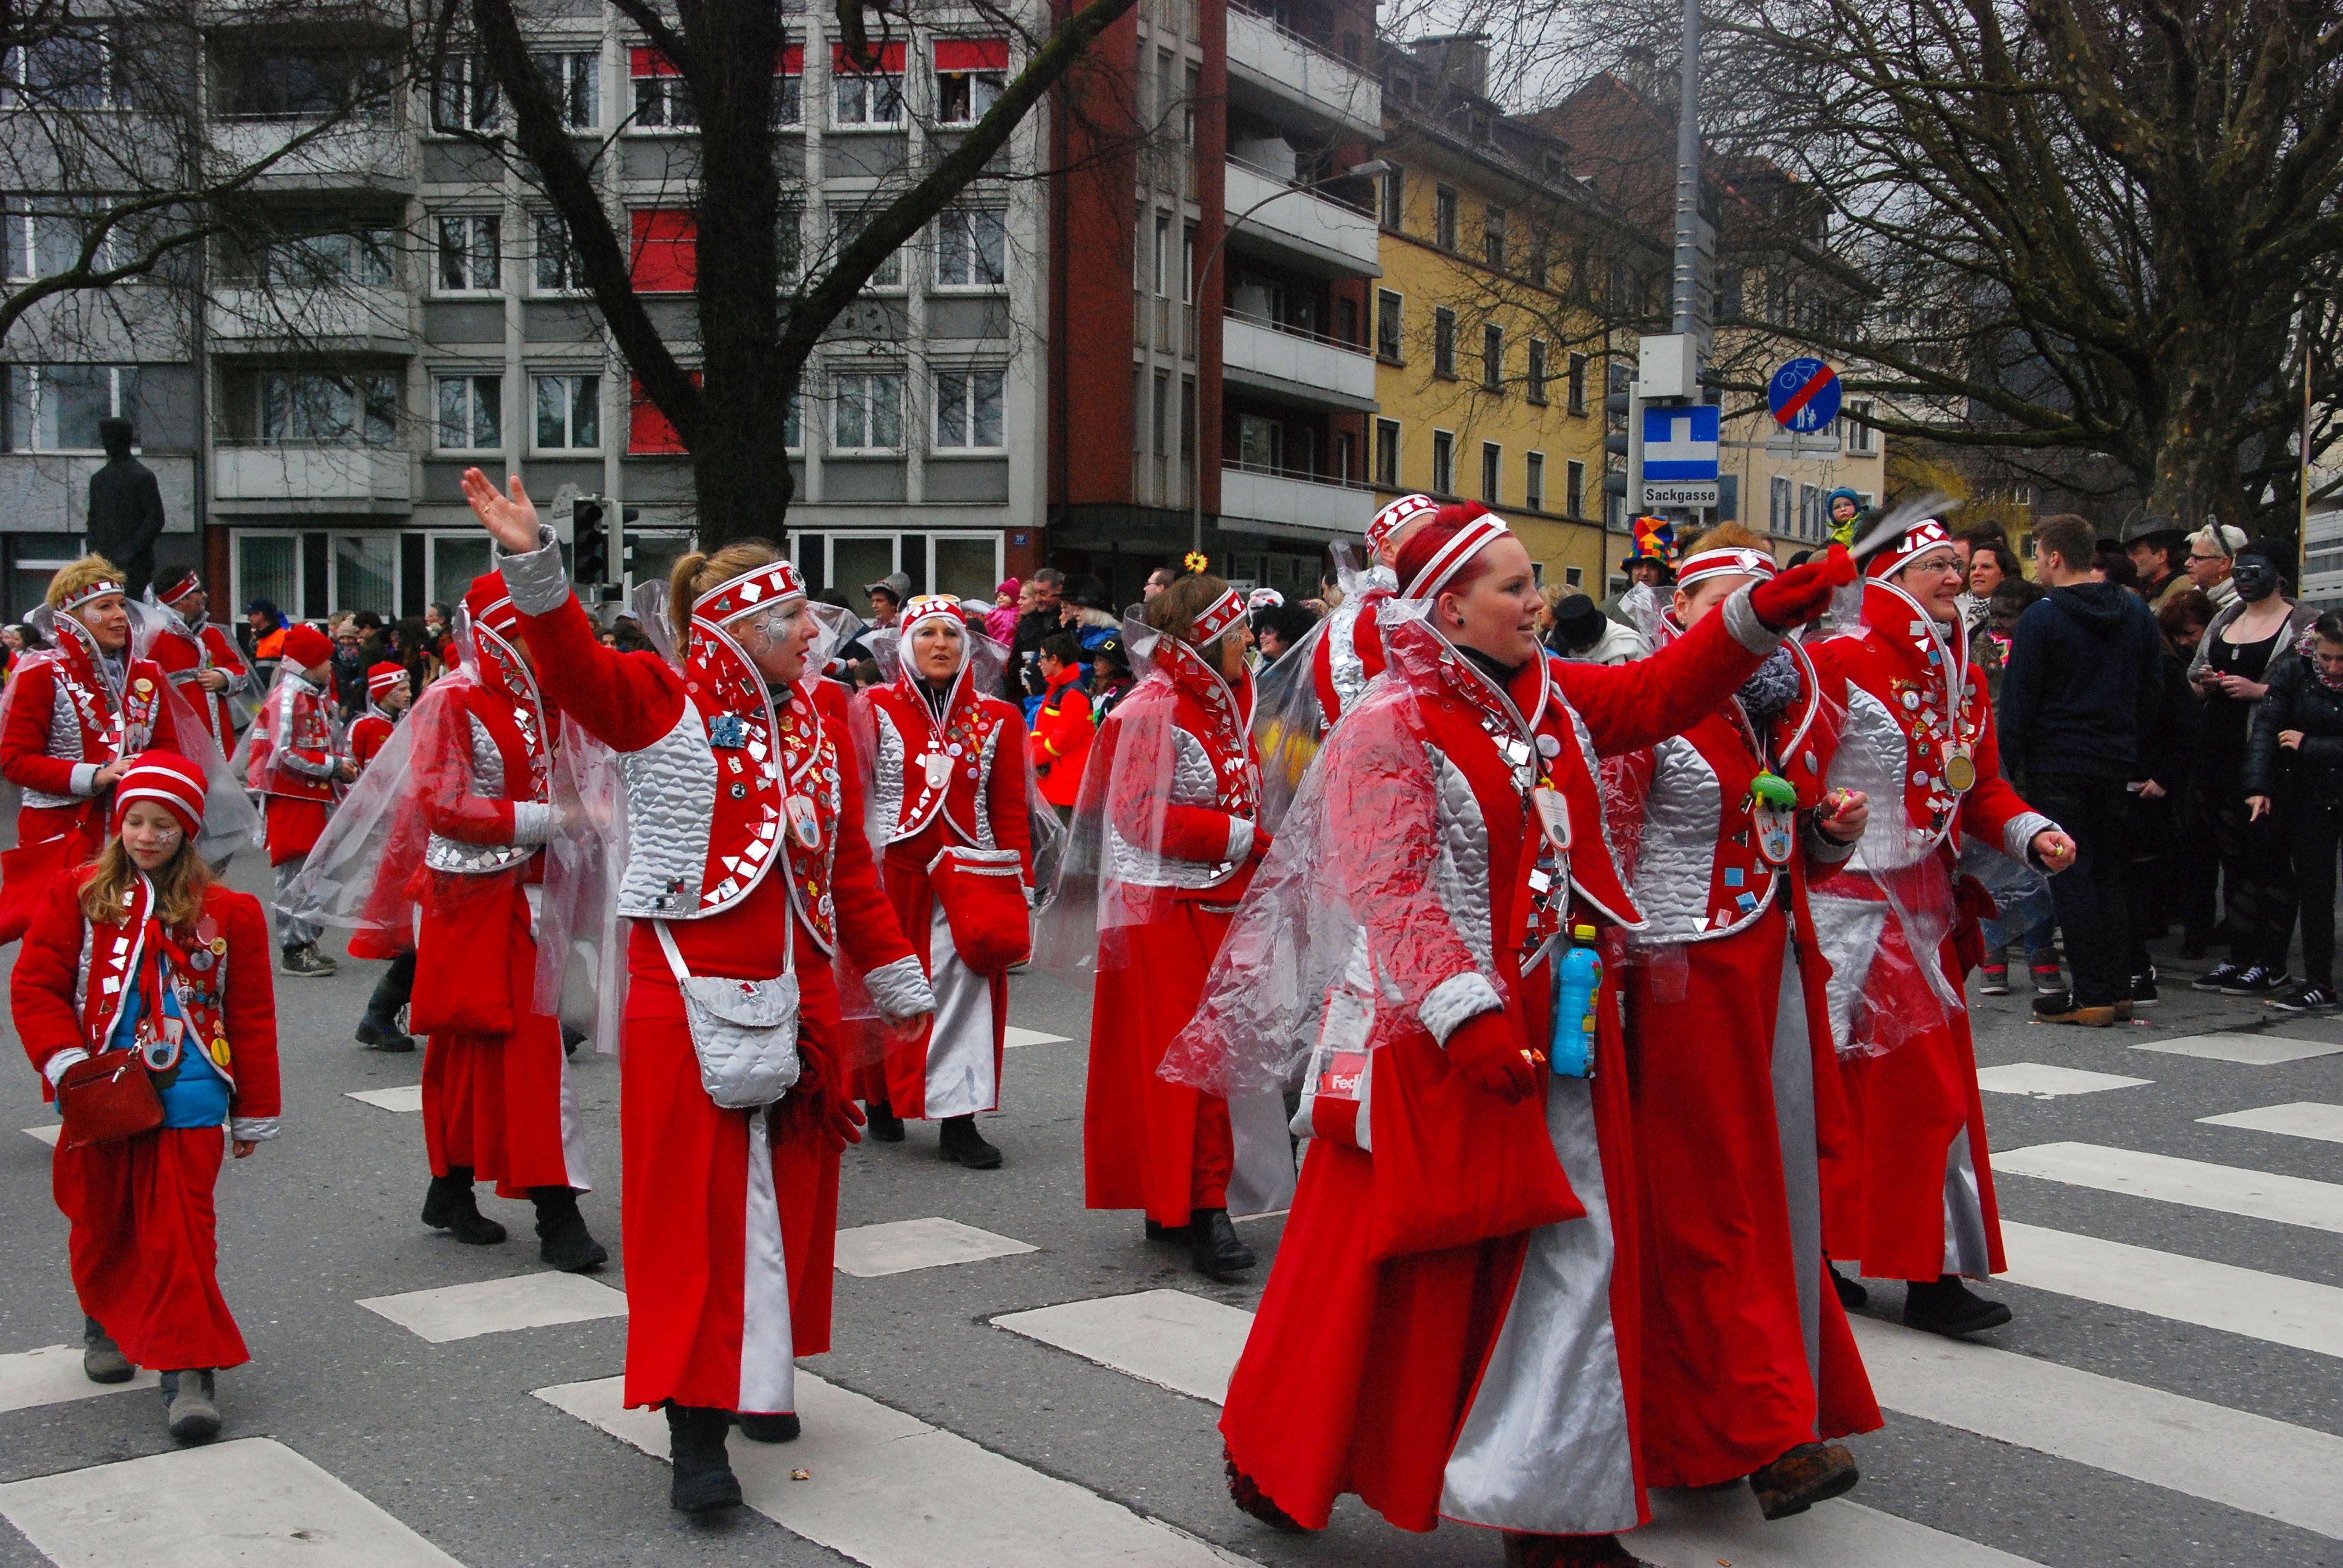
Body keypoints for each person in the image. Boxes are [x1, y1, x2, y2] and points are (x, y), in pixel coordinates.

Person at [1179, 506, 1855, 1561]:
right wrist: (1467, 1016)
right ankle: (1282, 1447)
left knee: (1574, 1254)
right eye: (1514, 586)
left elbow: (1659, 692)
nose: (1539, 600)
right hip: (1432, 1035)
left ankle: (1550, 1517)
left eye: (1533, 580)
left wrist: (1760, 615)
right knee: (1373, 1267)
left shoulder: (1551, 694)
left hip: (1565, 1024)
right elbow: (1395, 891)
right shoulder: (1392, 722)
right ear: (1449, 607)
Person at [460, 469, 934, 1514]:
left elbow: (847, 868)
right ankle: (694, 1422)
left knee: (794, 1201)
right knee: (690, 1212)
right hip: (685, 987)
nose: (815, 633)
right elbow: (572, 665)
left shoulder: (823, 721)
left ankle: (761, 1372)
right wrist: (534, 562)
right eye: (793, 618)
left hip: (803, 991)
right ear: (740, 628)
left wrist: (895, 975)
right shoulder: (657, 699)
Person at [1604, 528, 1884, 1517]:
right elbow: (1600, 857)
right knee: (1705, 1199)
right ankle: (1756, 1424)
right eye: (1729, 602)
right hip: (1678, 981)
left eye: (1777, 609)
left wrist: (1825, 839)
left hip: (1766, 972)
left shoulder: (1771, 716)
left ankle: (1753, 1406)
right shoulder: (1646, 704)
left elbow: (1773, 850)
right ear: (1679, 611)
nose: (1763, 628)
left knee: (1767, 1193)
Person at [1807, 517, 2075, 1337]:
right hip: (1846, 910)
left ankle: (1920, 1261)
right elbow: (1791, 774)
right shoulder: (1837, 660)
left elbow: (1979, 785)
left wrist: (2031, 832)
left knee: (1920, 1098)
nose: (1953, 578)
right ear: (1889, 578)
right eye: (1933, 565)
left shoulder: (1963, 675)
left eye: (1955, 564)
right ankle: (1841, 1254)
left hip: (1921, 913)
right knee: (1853, 1095)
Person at [12, 750, 279, 1445]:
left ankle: (189, 1373)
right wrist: (67, 1064)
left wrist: (254, 1109)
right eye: (136, 820)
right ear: (119, 823)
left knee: (182, 1235)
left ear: (187, 831)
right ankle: (105, 1317)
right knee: (101, 1218)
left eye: (164, 824)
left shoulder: (231, 911)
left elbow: (251, 1017)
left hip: (191, 1094)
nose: (147, 836)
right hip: (100, 1092)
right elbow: (35, 986)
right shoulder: (78, 893)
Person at [1064, 574, 1272, 1283]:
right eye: (1237, 631)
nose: (1249, 641)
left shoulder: (1229, 701)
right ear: (1205, 639)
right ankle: (1203, 1206)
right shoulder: (1151, 708)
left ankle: (1178, 1199)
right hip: (1164, 910)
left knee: (1209, 1059)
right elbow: (1136, 818)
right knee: (1189, 1064)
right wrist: (1246, 837)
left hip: (1219, 902)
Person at [853, 595, 1047, 1166]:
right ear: (904, 645)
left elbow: (1009, 809)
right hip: (891, 875)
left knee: (967, 998)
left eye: (952, 634)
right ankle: (882, 1096)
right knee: (884, 986)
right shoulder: (873, 707)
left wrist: (1019, 886)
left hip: (970, 879)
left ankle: (959, 1119)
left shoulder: (998, 717)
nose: (940, 644)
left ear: (968, 647)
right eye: (927, 633)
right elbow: (857, 799)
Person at [1997, 515, 2165, 1024]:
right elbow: (2153, 686)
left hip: (2058, 758)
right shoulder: (2134, 611)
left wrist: (2007, 766)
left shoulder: (2043, 618)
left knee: (2071, 873)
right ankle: (2117, 985)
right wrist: (2130, 741)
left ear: (2054, 557)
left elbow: (2020, 699)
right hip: (2113, 758)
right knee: (2108, 872)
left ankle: (2090, 991)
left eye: (2038, 554)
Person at [0, 557, 185, 943]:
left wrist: (145, 773)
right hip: (62, 835)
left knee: (132, 941)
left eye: (121, 604)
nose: (120, 615)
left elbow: (168, 749)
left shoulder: (147, 674)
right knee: (58, 945)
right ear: (72, 617)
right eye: (105, 606)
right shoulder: (40, 672)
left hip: (131, 835)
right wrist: (95, 776)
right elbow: (14, 760)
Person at [2188, 537, 2316, 995]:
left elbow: (2318, 688)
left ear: (2278, 575)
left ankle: (2271, 960)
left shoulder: (2304, 624)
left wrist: (2260, 692)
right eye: (2238, 572)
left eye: (2254, 571)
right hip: (2217, 753)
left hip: (2268, 758)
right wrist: (2207, 682)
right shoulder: (2226, 618)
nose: (2244, 579)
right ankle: (2239, 955)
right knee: (2233, 858)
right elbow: (2196, 670)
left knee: (2269, 857)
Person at [2247, 612, 2343, 1011]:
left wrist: (2310, 745)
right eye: (2326, 658)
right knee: (2315, 890)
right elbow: (2267, 728)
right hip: (2310, 793)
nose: (2333, 668)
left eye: (2342, 660)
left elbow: (2294, 738)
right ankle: (2318, 980)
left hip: (2315, 773)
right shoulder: (2294, 670)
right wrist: (2258, 786)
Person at [1971, 578, 2059, 997]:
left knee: (2036, 861)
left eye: (2007, 616)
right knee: (1990, 863)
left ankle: (2041, 951)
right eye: (1994, 615)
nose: (1998, 624)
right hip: (1990, 761)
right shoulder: (1979, 645)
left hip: (2031, 766)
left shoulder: (2041, 645)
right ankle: (1994, 951)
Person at [255, 623, 348, 977]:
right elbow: (283, 753)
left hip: (309, 795)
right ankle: (294, 948)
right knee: (296, 874)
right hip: (291, 797)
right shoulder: (289, 697)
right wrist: (333, 767)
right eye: (325, 660)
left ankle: (307, 941)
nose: (330, 666)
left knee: (311, 871)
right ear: (309, 663)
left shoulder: (309, 696)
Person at [346, 661, 417, 1054]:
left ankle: (380, 1014)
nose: (407, 693)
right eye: (399, 688)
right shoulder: (367, 726)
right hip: (404, 826)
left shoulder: (409, 721)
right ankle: (380, 1014)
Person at [146, 572, 252, 746]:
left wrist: (224, 678)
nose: (205, 595)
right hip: (178, 733)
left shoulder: (212, 634)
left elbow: (239, 669)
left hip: (220, 733)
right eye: (198, 591)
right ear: (181, 599)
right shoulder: (153, 637)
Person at [84, 417, 166, 596]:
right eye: (104, 438)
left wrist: (131, 551)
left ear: (124, 439)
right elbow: (93, 520)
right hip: (104, 565)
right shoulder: (99, 479)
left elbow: (155, 519)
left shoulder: (142, 476)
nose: (106, 443)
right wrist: (93, 552)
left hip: (134, 566)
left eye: (110, 438)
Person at [1029, 633, 1092, 818]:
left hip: (1066, 785)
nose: (1039, 663)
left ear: (1054, 659)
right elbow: (1040, 729)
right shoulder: (1057, 689)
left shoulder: (1074, 694)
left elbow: (1062, 740)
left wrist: (1032, 758)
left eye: (1042, 657)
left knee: (1062, 834)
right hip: (1053, 780)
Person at [1547, 589, 1647, 665]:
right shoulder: (1560, 650)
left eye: (1583, 648)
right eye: (1577, 648)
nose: (1580, 652)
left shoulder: (1627, 645)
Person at [2123, 515, 2192, 610]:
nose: (2130, 559)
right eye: (2129, 554)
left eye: (2136, 553)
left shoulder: (2182, 591)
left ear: (2161, 556)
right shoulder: (2145, 589)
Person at [2187, 523, 2246, 611]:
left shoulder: (2245, 607)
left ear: (2224, 564)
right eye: (2190, 556)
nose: (2187, 563)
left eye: (2198, 558)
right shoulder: (2192, 597)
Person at [1250, 600, 1315, 665]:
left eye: (1268, 630)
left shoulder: (1307, 666)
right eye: (1261, 631)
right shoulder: (1267, 669)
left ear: (1287, 633)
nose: (1261, 636)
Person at [241, 600, 289, 687]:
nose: (249, 619)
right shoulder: (257, 641)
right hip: (258, 691)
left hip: (276, 691)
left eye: (250, 615)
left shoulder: (284, 638)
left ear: (260, 615)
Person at [986, 579, 1021, 644]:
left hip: (1012, 646)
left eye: (1005, 595)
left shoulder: (1018, 613)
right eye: (998, 596)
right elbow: (989, 630)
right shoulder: (994, 613)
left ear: (1013, 598)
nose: (1001, 598)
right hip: (996, 645)